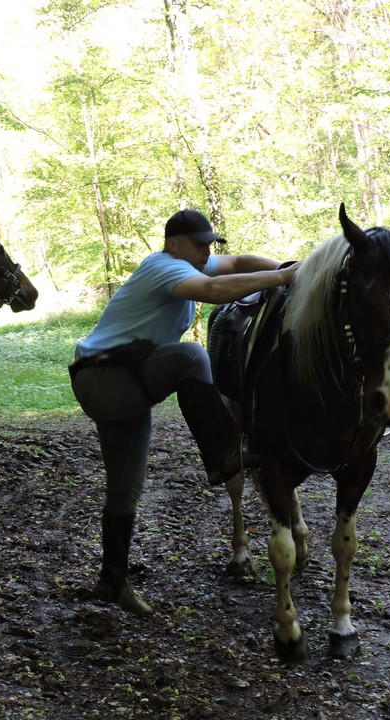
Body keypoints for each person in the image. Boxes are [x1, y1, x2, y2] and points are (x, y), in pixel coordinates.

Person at [69, 208, 298, 615]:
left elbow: (238, 263)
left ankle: (112, 581)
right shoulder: (165, 267)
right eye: (200, 244)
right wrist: (282, 279)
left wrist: (290, 266)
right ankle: (220, 456)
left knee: (125, 488)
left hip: (125, 379)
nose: (207, 251)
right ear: (174, 244)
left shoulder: (190, 261)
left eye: (210, 244)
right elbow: (214, 290)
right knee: (192, 355)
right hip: (105, 377)